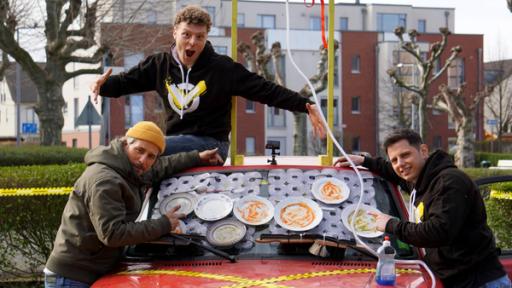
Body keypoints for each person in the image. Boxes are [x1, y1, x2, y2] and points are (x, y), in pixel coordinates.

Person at [90, 5, 326, 161]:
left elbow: (265, 90)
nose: (192, 43)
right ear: (175, 33)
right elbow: (126, 82)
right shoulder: (159, 65)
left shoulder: (222, 68)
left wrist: (305, 105)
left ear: (206, 37)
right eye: (187, 35)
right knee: (136, 152)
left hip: (212, 144)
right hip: (174, 142)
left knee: (145, 149)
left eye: (199, 37)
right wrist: (101, 85)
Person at [44, 121, 223, 287]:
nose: (144, 160)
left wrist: (197, 157)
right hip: (71, 277)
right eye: (139, 150)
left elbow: (161, 167)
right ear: (125, 143)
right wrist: (164, 224)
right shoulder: (105, 180)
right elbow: (113, 234)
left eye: (151, 156)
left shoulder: (129, 168)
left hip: (94, 271)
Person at [334, 129, 511, 288]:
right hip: (453, 279)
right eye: (394, 159)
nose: (400, 164)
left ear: (423, 151)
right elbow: (393, 172)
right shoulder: (421, 180)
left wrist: (391, 224)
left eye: (405, 155)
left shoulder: (449, 183)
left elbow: (437, 232)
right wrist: (366, 161)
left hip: (480, 282)